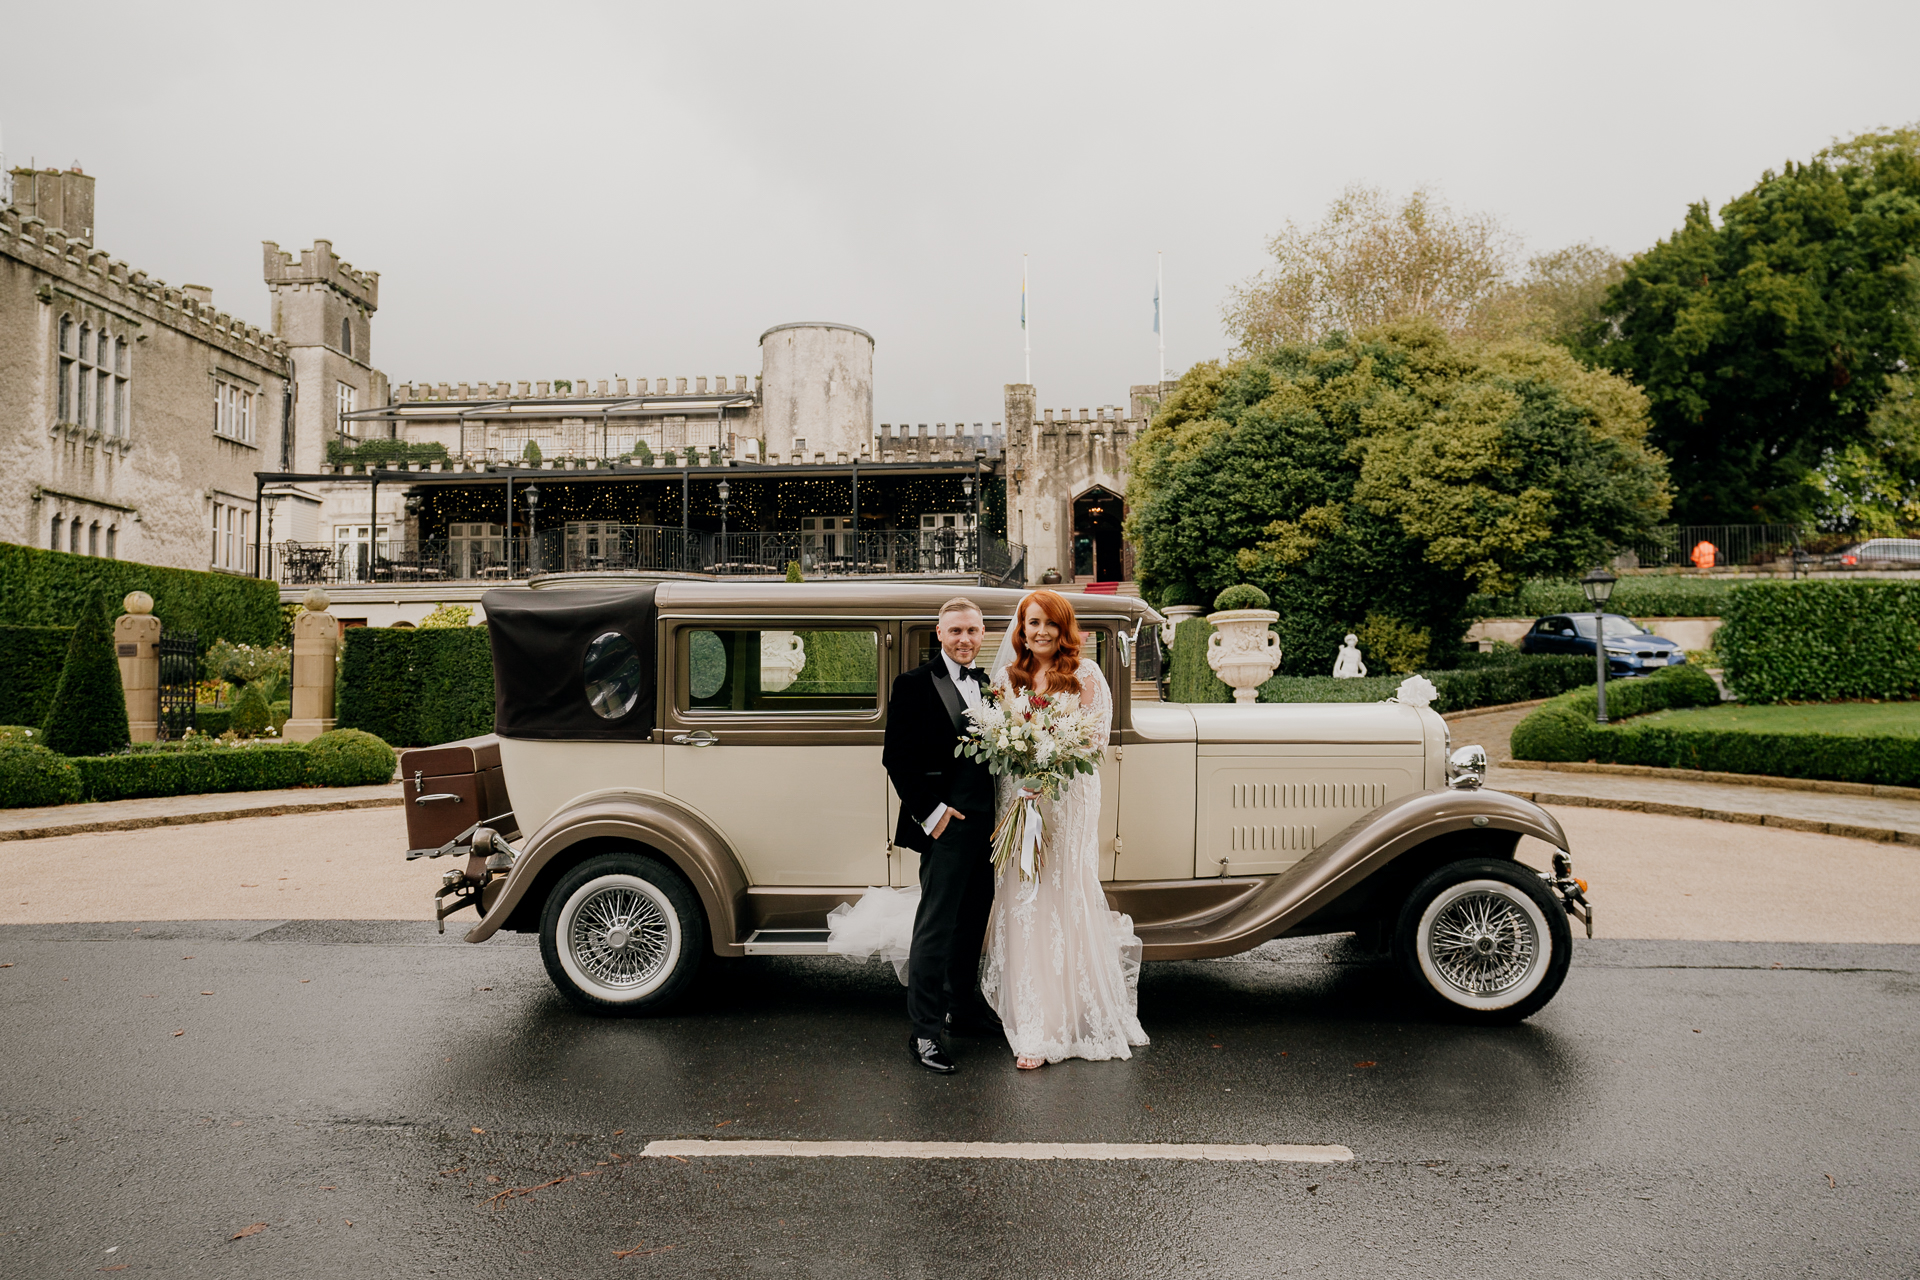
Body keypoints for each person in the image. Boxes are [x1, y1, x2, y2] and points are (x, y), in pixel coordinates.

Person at [982, 589, 1148, 1070]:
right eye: (1033, 623)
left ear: (1064, 628)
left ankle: (1065, 1018)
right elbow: (997, 742)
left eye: (1050, 624)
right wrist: (1024, 771)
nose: (1041, 632)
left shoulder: (1086, 675)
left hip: (1068, 800)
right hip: (1020, 799)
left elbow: (1093, 742)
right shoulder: (1009, 677)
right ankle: (1034, 1016)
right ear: (1022, 628)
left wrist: (1049, 764)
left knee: (1064, 892)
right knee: (1024, 896)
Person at [878, 597, 1005, 1074]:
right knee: (936, 927)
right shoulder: (913, 684)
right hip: (945, 826)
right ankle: (925, 1033)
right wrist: (932, 814)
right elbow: (898, 758)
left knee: (973, 922)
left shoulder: (989, 686)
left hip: (988, 826)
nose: (965, 639)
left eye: (973, 631)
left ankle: (962, 1009)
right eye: (956, 631)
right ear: (939, 632)